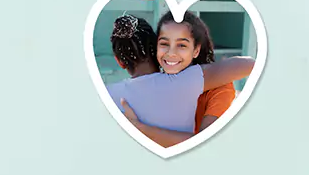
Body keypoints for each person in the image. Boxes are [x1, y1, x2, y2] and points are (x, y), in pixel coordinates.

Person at [108, 14, 253, 147]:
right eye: (165, 43)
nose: (172, 53)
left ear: (119, 61)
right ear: (155, 47)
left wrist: (141, 129)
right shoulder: (183, 81)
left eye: (181, 45)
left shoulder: (108, 94)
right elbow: (247, 64)